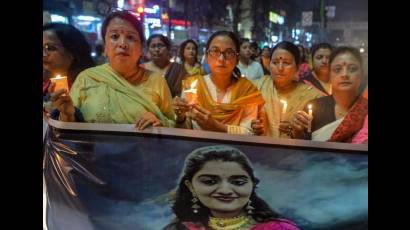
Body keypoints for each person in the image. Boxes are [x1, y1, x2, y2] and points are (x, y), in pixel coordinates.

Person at [49, 10, 175, 130]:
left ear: (141, 49)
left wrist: (159, 122)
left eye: (130, 38)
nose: (122, 44)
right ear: (105, 47)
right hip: (93, 152)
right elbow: (70, 133)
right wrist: (66, 115)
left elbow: (173, 123)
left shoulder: (156, 81)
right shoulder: (86, 78)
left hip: (145, 152)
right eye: (114, 36)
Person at [164, 145, 300, 230]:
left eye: (238, 182)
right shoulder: (180, 228)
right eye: (210, 181)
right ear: (191, 186)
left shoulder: (279, 228)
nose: (225, 190)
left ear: (252, 185)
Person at [173, 31, 265, 135]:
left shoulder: (247, 91)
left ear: (237, 59)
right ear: (207, 56)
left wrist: (215, 126)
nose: (221, 59)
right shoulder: (193, 86)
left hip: (235, 149)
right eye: (215, 51)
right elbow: (185, 129)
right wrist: (180, 117)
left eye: (229, 52)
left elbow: (248, 132)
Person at [292, 47, 368, 143]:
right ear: (330, 75)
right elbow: (303, 149)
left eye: (352, 69)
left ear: (361, 75)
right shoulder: (315, 109)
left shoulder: (365, 110)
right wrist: (297, 132)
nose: (344, 74)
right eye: (337, 69)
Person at [251, 41, 323, 138]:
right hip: (257, 150)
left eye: (286, 63)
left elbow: (314, 137)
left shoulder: (312, 96)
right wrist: (251, 127)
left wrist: (296, 132)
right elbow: (240, 124)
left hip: (294, 152)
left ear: (298, 67)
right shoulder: (255, 87)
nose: (280, 68)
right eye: (275, 62)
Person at [43, 23, 95, 113]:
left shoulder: (90, 87)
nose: (43, 54)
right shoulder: (46, 83)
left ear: (72, 51)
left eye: (50, 48)